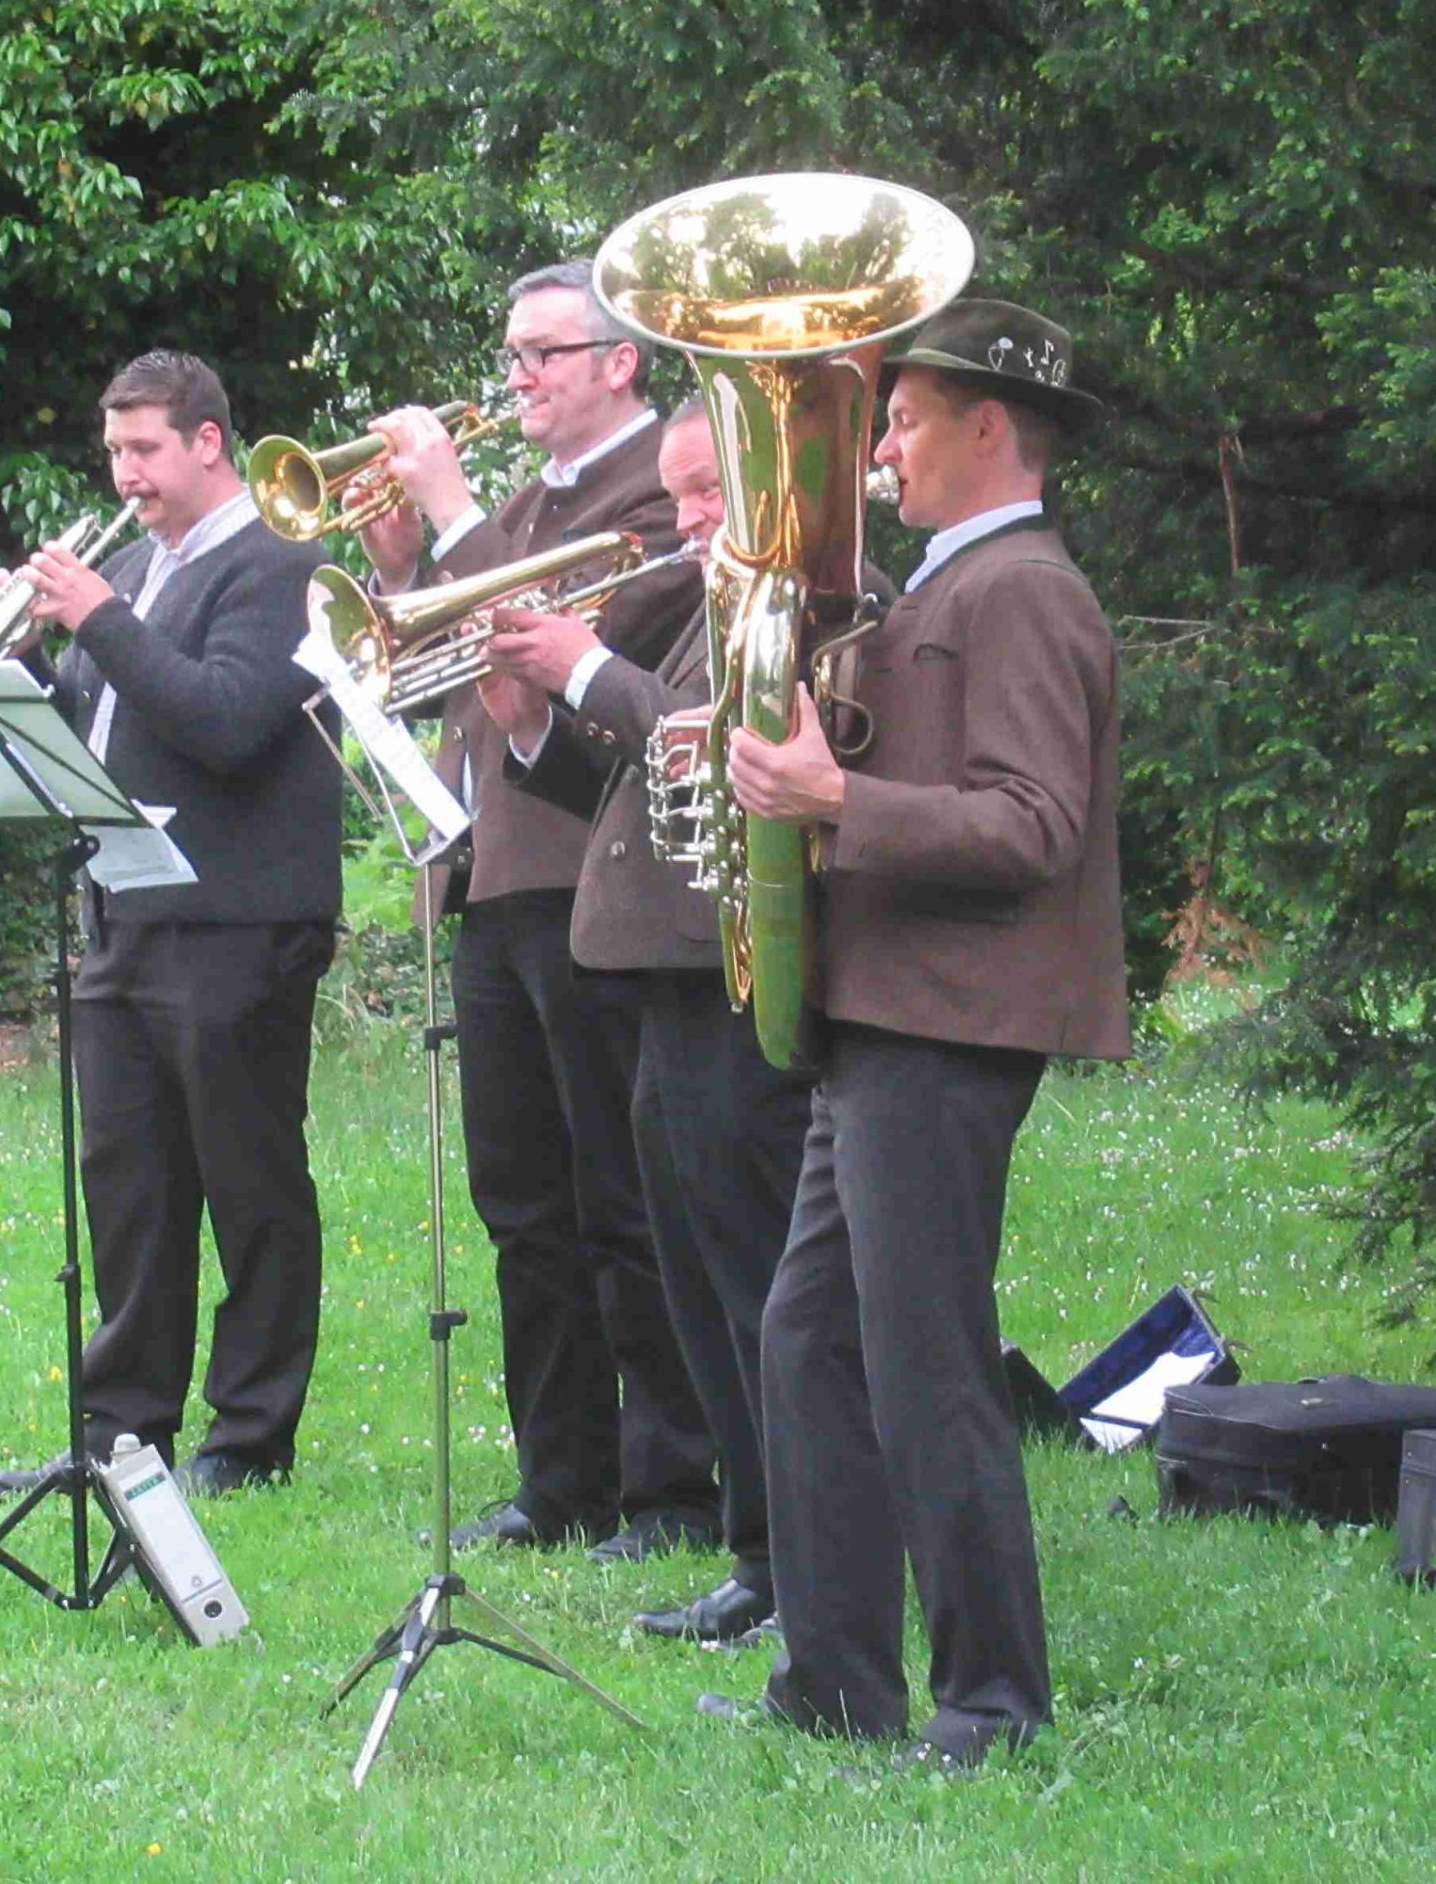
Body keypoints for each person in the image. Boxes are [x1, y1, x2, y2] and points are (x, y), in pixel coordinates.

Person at [716, 301, 1128, 1766]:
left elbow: (1032, 825)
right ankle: (834, 1680)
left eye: (900, 420)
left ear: (988, 426)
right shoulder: (949, 585)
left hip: (948, 1020)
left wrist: (834, 801)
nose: (880, 448)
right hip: (884, 1013)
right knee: (810, 1340)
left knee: (924, 1357)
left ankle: (993, 1702)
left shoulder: (1024, 592)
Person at [361, 262, 713, 1558]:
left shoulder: (656, 498)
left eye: (542, 354)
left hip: (591, 876)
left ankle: (673, 1481)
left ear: (619, 362)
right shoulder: (522, 506)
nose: (517, 377)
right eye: (511, 354)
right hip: (492, 881)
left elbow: (569, 644)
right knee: (520, 1203)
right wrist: (403, 561)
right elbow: (448, 654)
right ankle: (562, 1476)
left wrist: (450, 512)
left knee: (622, 1195)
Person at [476, 399, 833, 1640]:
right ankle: (759, 1553)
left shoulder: (805, 602)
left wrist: (583, 668)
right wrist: (533, 724)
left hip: (734, 983)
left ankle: (804, 1567)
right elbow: (639, 779)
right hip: (662, 980)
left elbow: (712, 749)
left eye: (705, 493)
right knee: (694, 1286)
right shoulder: (709, 602)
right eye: (677, 495)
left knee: (756, 1286)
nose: (684, 522)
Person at [0, 349, 341, 1498]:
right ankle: (121, 1430)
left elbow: (225, 722)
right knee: (127, 1181)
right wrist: (27, 658)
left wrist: (102, 618)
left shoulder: (281, 564)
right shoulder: (133, 568)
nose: (124, 474)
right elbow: (101, 729)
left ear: (208, 442)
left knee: (249, 1179)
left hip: (238, 917)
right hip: (125, 905)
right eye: (114, 450)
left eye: (144, 450)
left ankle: (250, 1434)